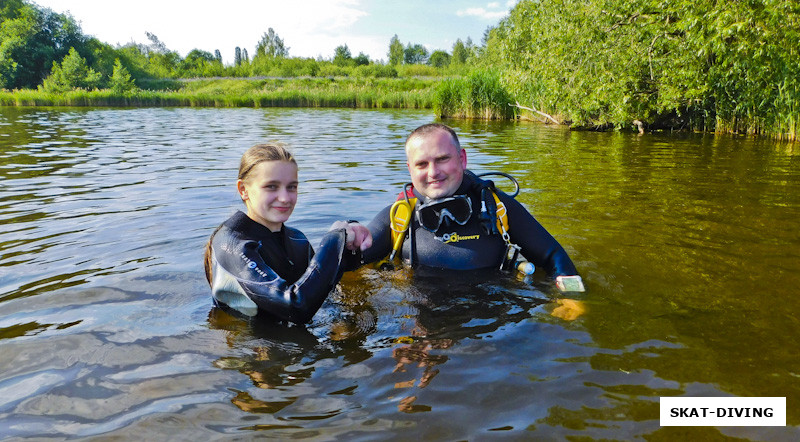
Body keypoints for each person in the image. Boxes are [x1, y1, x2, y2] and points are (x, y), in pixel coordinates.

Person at [362, 123, 584, 292]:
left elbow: (554, 256)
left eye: (442, 159)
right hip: (423, 334)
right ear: (410, 169)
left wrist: (573, 299)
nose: (433, 172)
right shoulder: (399, 217)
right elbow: (350, 256)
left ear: (462, 159)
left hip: (491, 335)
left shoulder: (496, 206)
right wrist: (345, 233)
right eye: (422, 164)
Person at [204, 143, 372, 324]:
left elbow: (323, 292)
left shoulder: (297, 239)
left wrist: (348, 243)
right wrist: (334, 239)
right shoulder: (231, 244)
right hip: (252, 346)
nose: (285, 198)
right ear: (243, 190)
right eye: (271, 187)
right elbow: (296, 306)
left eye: (291, 187)